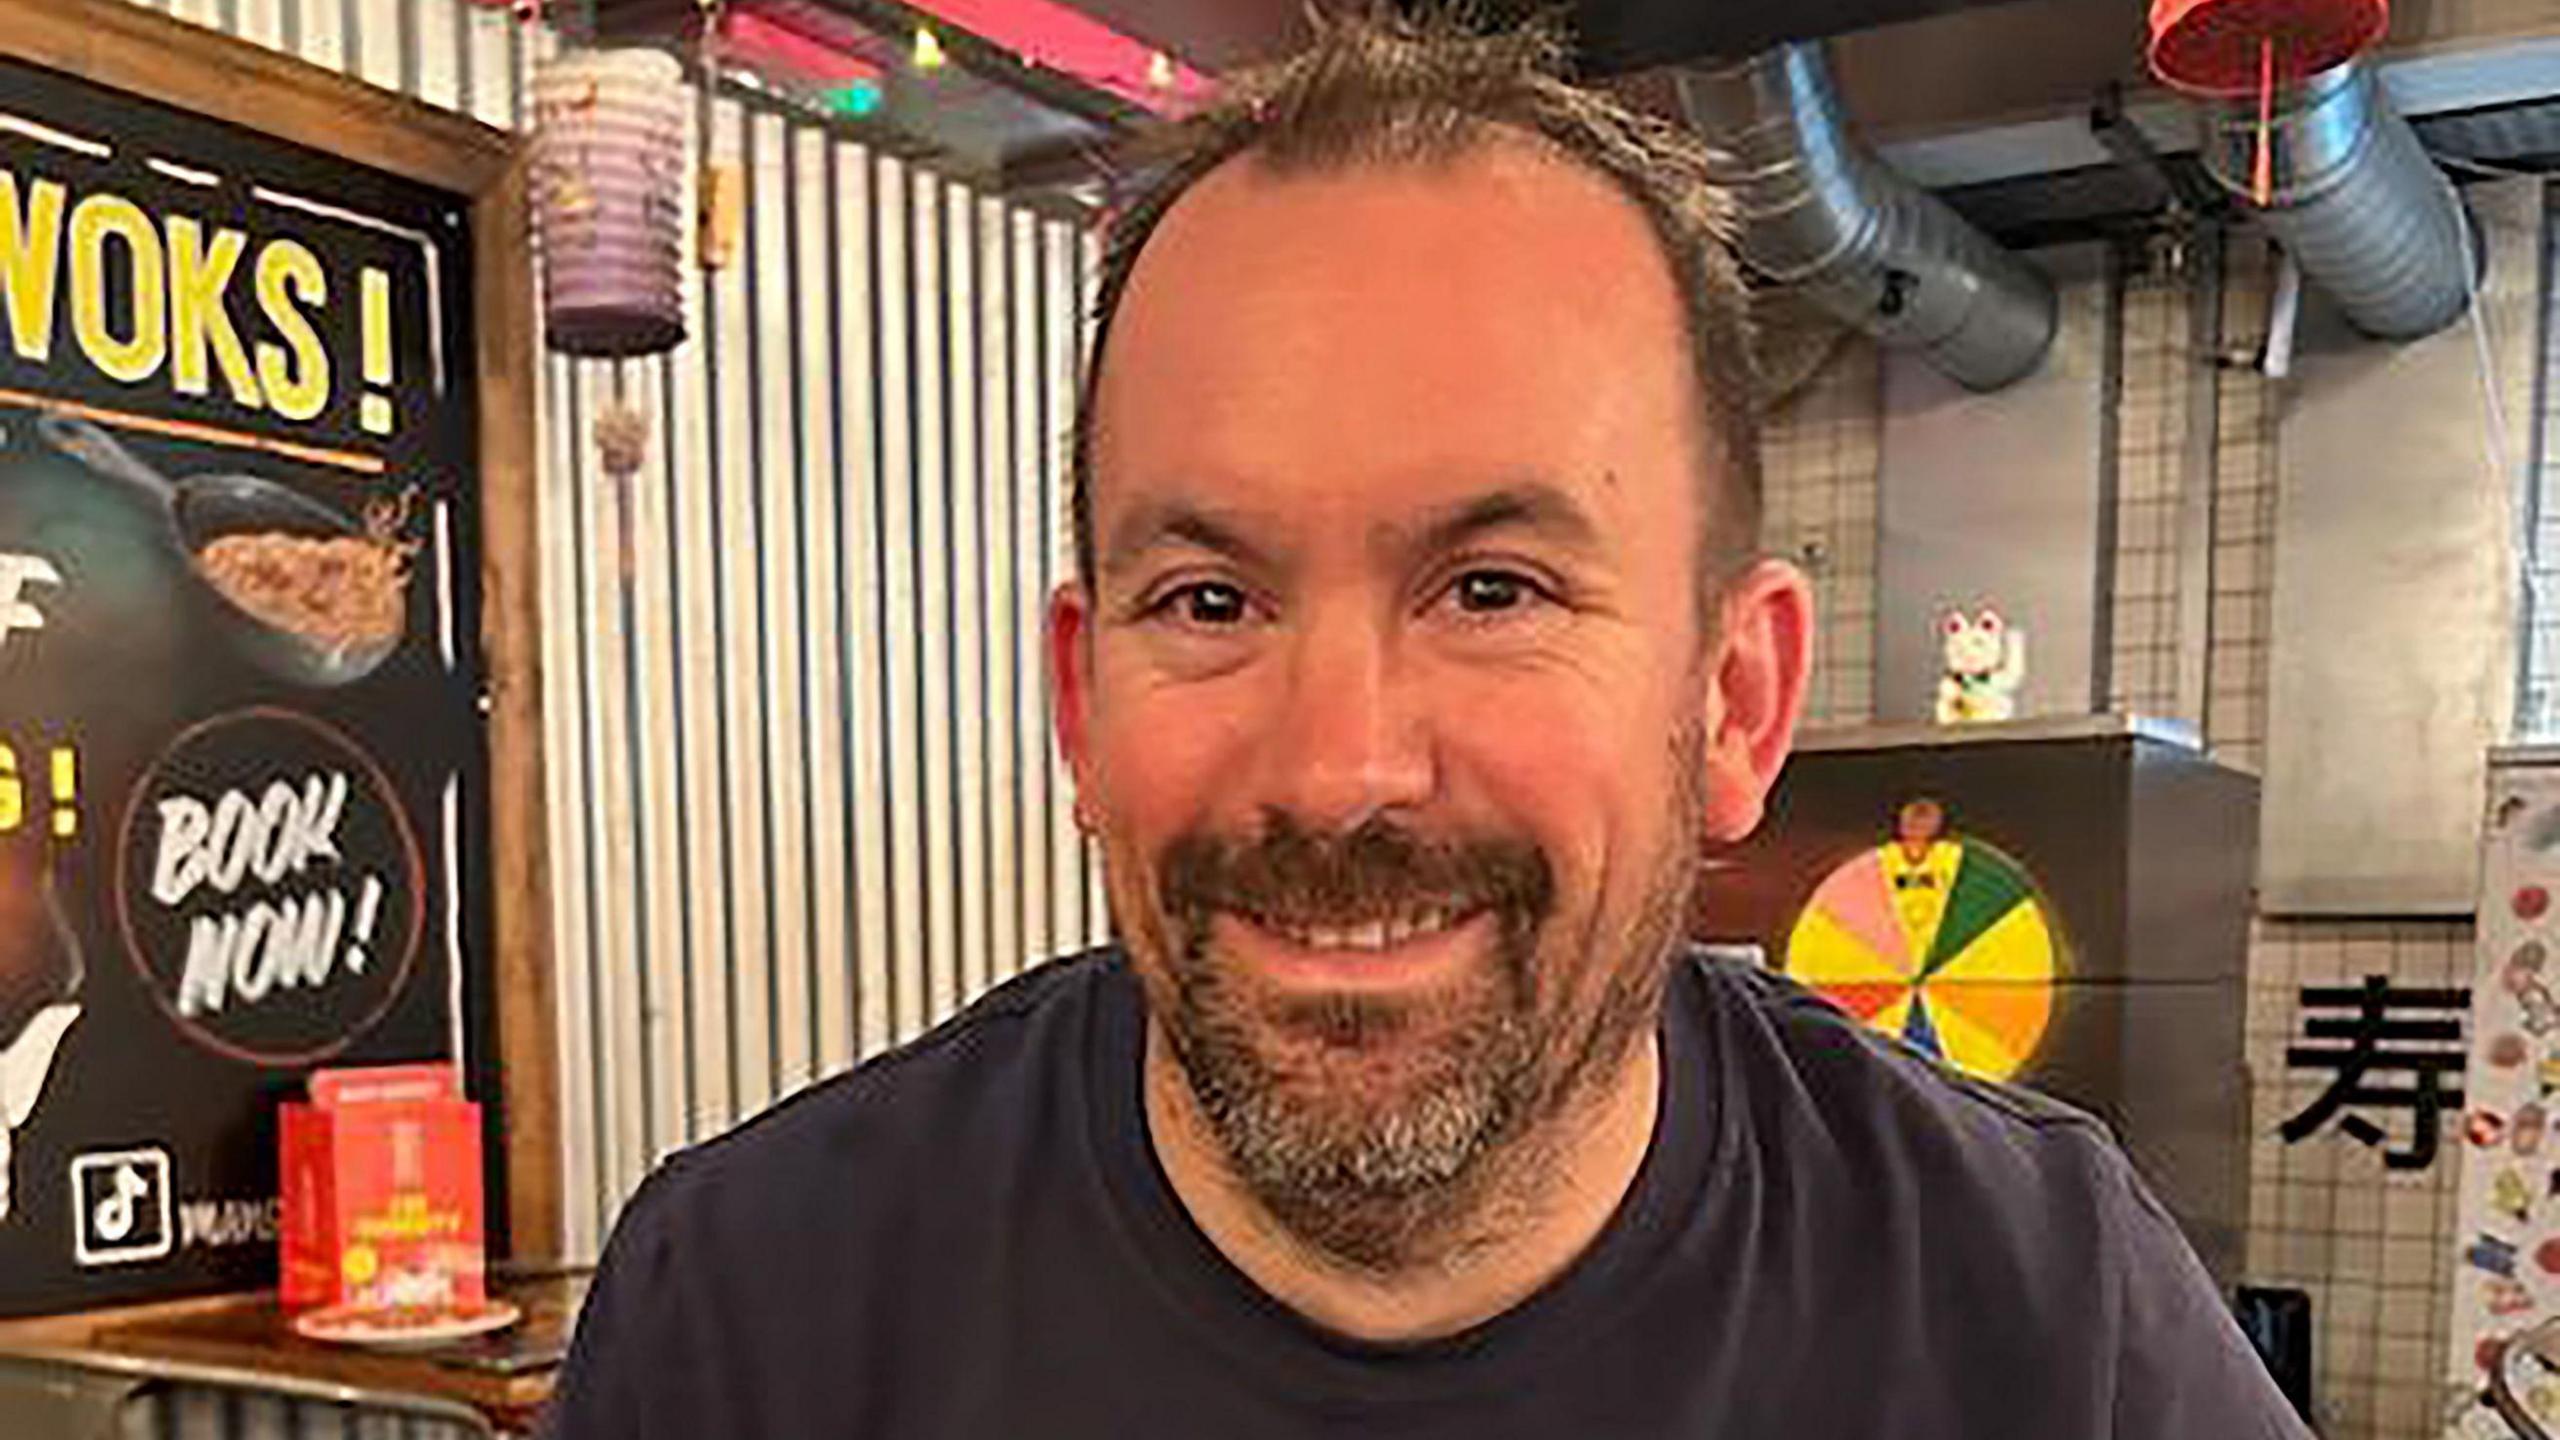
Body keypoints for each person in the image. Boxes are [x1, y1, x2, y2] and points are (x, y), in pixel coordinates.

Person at [544, 9, 2309, 1436]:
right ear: (1082, 704)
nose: (1339, 768)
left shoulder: (2041, 1322)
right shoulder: (759, 1312)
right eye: (1211, 602)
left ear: (1735, 702)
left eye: (1493, 590)